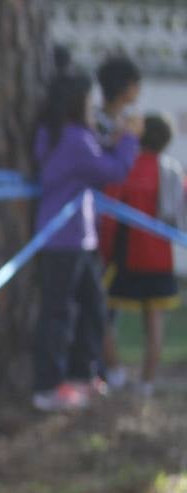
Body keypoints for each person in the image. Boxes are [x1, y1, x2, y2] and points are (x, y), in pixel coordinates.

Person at [31, 62, 140, 412]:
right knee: (60, 312)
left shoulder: (56, 133)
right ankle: (49, 385)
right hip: (64, 240)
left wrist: (110, 141)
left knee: (92, 307)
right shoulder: (75, 139)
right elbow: (112, 171)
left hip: (79, 238)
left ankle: (81, 374)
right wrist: (129, 142)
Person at [101, 113, 186, 397]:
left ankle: (115, 373)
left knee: (103, 315)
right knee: (155, 323)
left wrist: (104, 250)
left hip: (125, 257)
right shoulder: (172, 171)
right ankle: (146, 384)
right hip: (160, 257)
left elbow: (111, 212)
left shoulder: (126, 167)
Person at [93, 53, 143, 389]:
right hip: (97, 223)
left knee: (108, 298)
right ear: (126, 87)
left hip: (121, 224)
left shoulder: (123, 122)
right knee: (96, 296)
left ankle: (104, 365)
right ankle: (109, 367)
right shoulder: (98, 123)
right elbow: (108, 166)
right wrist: (124, 139)